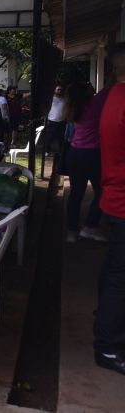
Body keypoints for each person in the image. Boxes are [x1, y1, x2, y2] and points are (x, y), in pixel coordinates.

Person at [94, 44, 125, 375]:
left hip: (114, 195)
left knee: (114, 272)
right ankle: (108, 345)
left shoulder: (113, 96)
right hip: (121, 198)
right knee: (120, 278)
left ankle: (105, 327)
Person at [64, 81, 109, 243]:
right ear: (86, 92)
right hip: (91, 155)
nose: (92, 86)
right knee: (102, 191)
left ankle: (71, 232)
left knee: (76, 194)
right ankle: (90, 226)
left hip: (74, 154)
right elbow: (110, 85)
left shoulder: (74, 107)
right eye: (89, 85)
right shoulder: (94, 104)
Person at [44, 84, 67, 156]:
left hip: (62, 121)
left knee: (61, 137)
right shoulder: (51, 99)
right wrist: (46, 119)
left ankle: (61, 151)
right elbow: (46, 110)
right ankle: (47, 151)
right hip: (51, 121)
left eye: (61, 90)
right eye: (58, 89)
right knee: (49, 137)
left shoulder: (64, 99)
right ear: (55, 90)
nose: (60, 91)